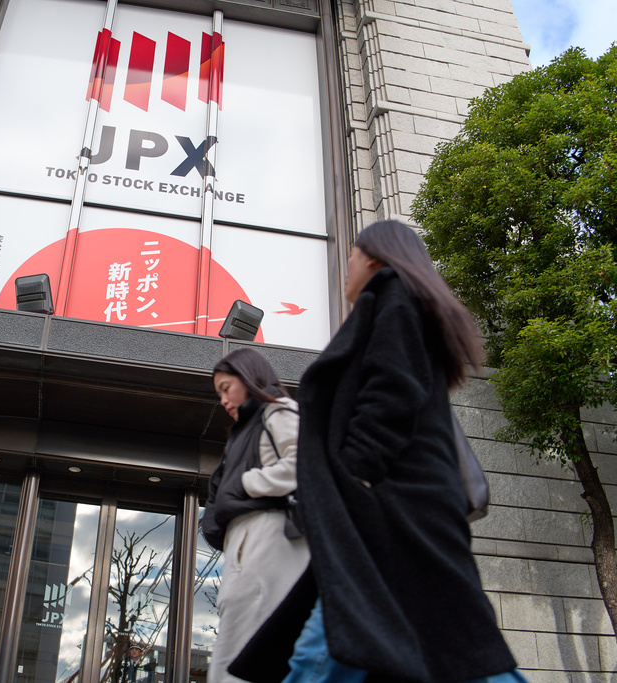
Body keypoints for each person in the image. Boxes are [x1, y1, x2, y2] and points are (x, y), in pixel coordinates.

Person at [228, 220, 526, 683]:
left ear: (374, 256)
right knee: (444, 641)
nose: (345, 267)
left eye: (350, 255)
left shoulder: (393, 297)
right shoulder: (402, 304)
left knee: (330, 646)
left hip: (384, 510)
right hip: (399, 510)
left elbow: (393, 388)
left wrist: (355, 475)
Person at [201, 348, 310, 683]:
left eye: (226, 388)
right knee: (239, 650)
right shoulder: (246, 428)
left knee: (251, 650)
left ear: (249, 378)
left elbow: (304, 464)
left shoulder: (277, 410)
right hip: (246, 547)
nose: (223, 400)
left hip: (270, 540)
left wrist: (247, 482)